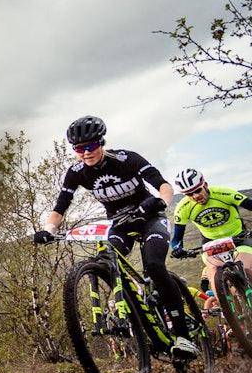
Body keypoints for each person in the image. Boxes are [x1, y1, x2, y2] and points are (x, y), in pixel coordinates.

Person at [32, 115, 198, 358]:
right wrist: (49, 230)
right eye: (79, 148)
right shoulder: (77, 172)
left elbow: (164, 186)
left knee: (153, 266)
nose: (85, 153)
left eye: (90, 146)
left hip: (149, 218)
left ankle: (183, 336)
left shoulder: (127, 159)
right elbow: (60, 207)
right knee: (105, 260)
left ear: (101, 142)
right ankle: (127, 313)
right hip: (119, 224)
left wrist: (160, 201)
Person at [169, 167, 252, 291]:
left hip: (238, 238)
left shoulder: (223, 193)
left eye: (197, 190)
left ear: (205, 185)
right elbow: (177, 238)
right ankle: (230, 309)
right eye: (189, 194)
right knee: (215, 277)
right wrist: (177, 248)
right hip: (211, 243)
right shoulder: (182, 208)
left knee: (245, 269)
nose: (195, 196)